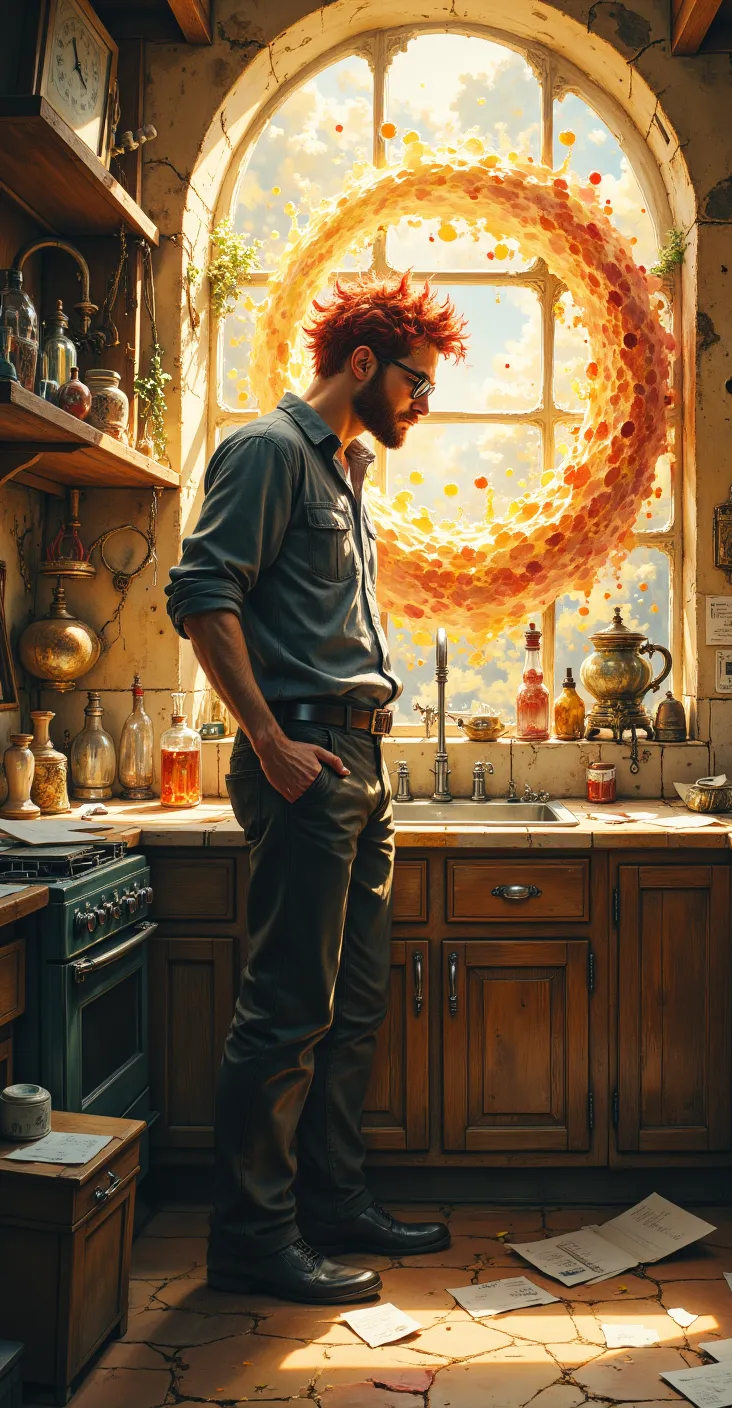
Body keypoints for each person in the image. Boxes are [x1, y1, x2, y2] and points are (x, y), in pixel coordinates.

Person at [165, 272, 468, 1304]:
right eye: (417, 383)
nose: (423, 404)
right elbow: (203, 595)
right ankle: (253, 1235)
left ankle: (331, 1201)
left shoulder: (346, 472)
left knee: (353, 1004)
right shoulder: (266, 450)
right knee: (287, 1008)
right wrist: (267, 737)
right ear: (363, 363)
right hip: (304, 760)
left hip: (359, 765)